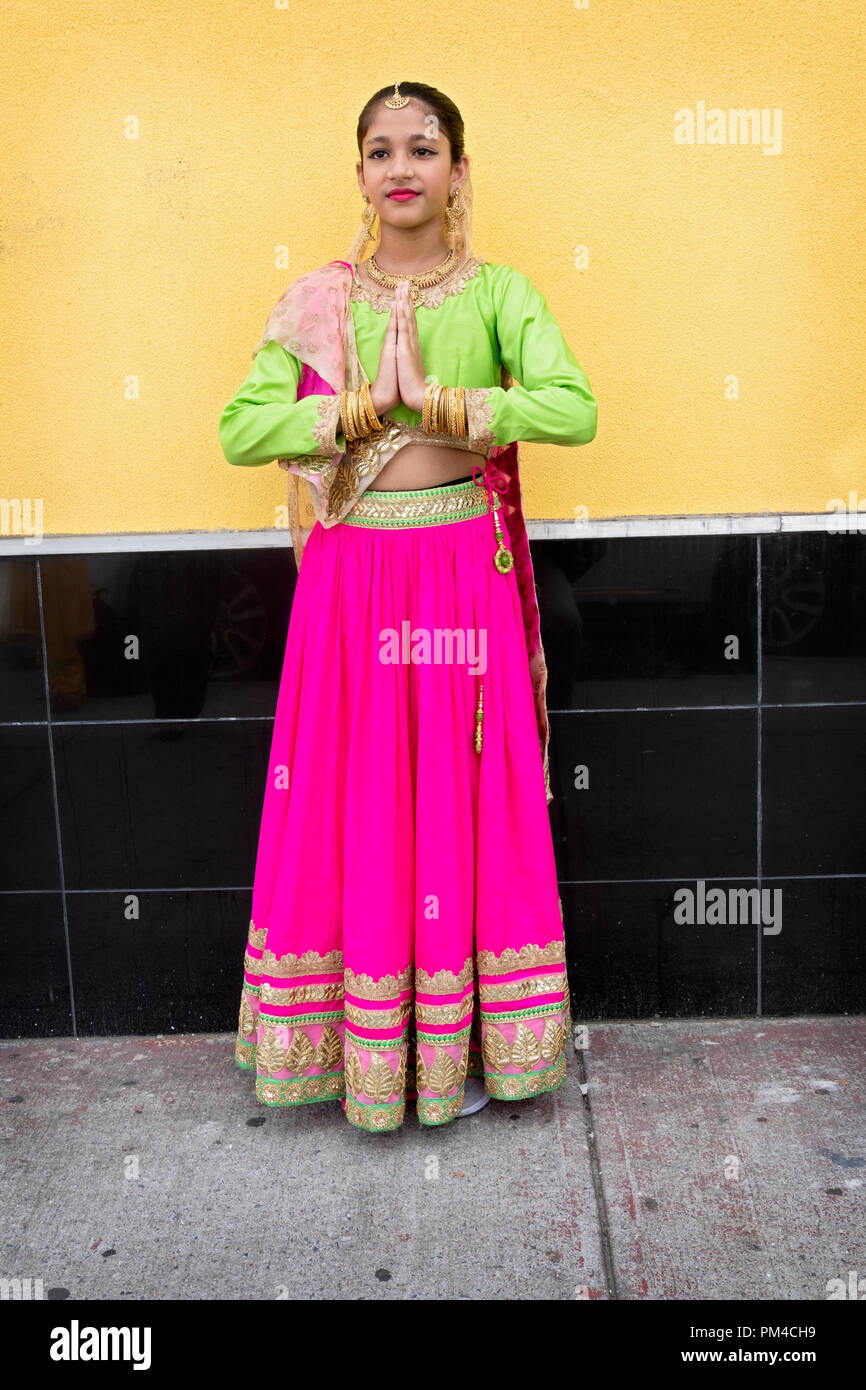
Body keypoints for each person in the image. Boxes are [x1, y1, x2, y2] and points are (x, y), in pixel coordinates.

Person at [218, 81, 597, 1133]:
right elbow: (241, 429)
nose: (399, 169)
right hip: (348, 584)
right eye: (379, 151)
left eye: (421, 149)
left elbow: (573, 406)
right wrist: (357, 407)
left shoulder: (498, 293)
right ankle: (360, 1048)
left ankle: (457, 1046)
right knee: (357, 791)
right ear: (358, 175)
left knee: (458, 791)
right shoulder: (319, 301)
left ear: (457, 171)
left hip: (456, 572)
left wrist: (456, 402)